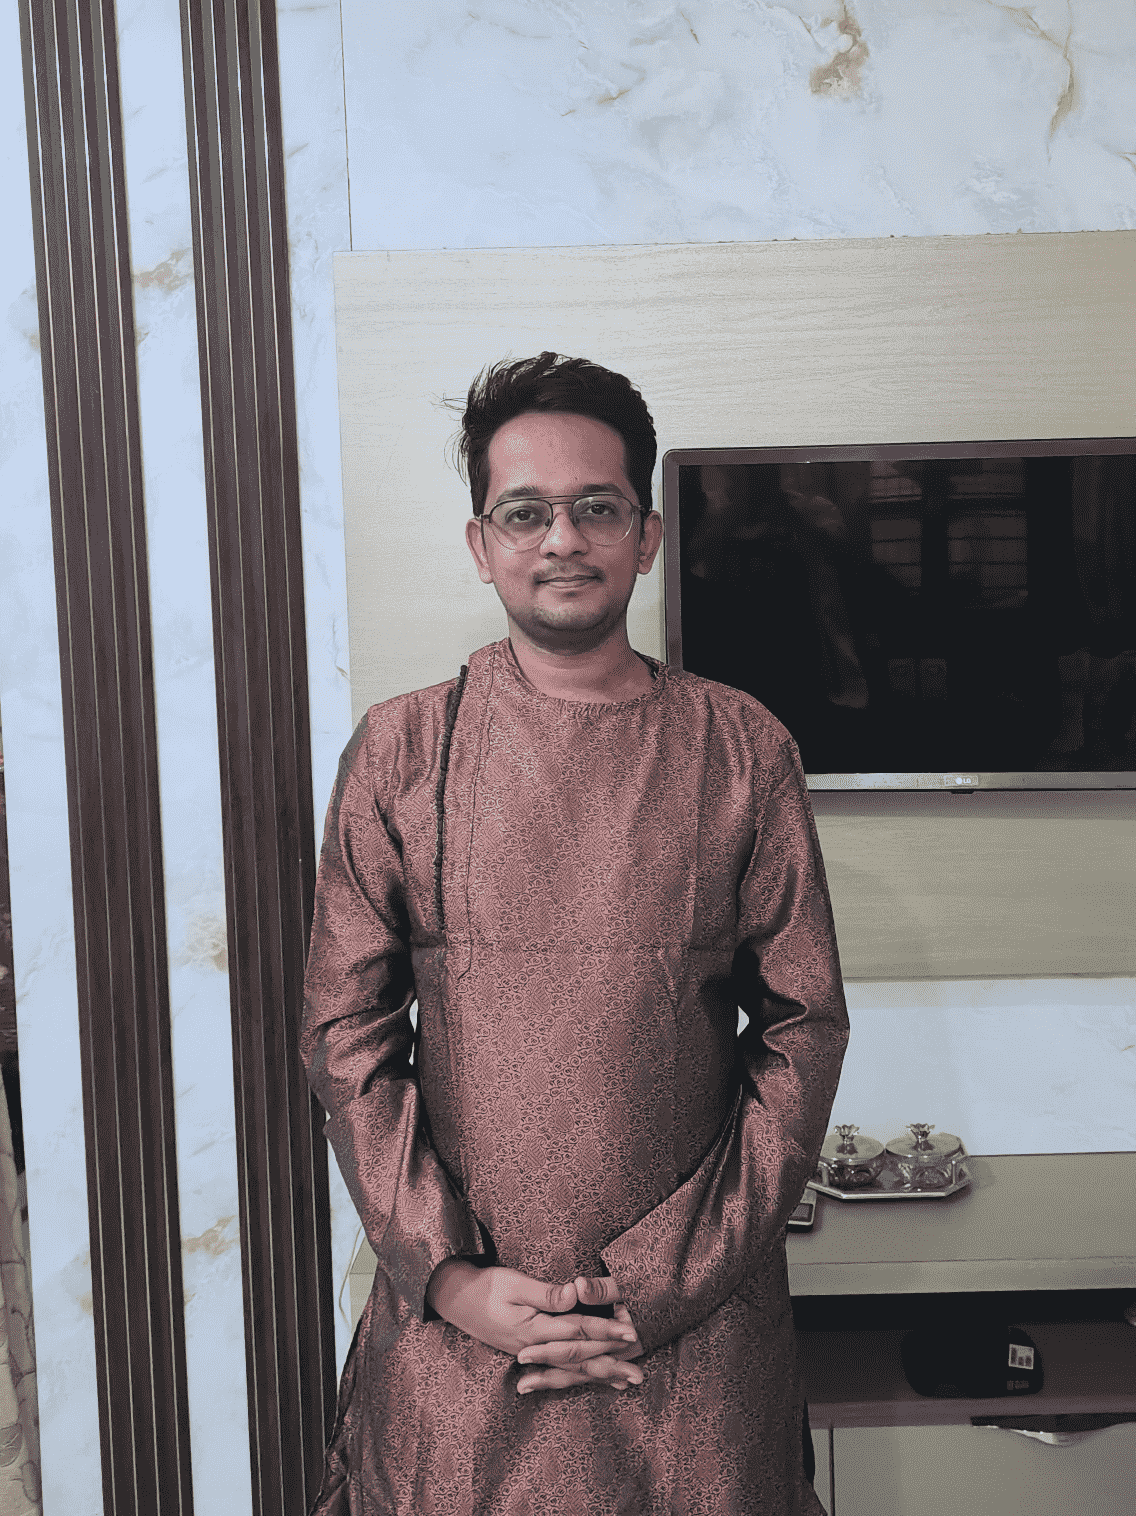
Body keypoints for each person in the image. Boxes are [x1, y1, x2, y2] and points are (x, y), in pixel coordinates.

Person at [301, 352, 849, 1514]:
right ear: (480, 543)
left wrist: (654, 1288)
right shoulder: (400, 751)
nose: (562, 539)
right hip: (463, 1327)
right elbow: (346, 1036)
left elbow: (802, 1029)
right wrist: (451, 1276)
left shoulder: (742, 749)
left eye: (596, 508)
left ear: (644, 536)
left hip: (691, 1337)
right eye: (525, 512)